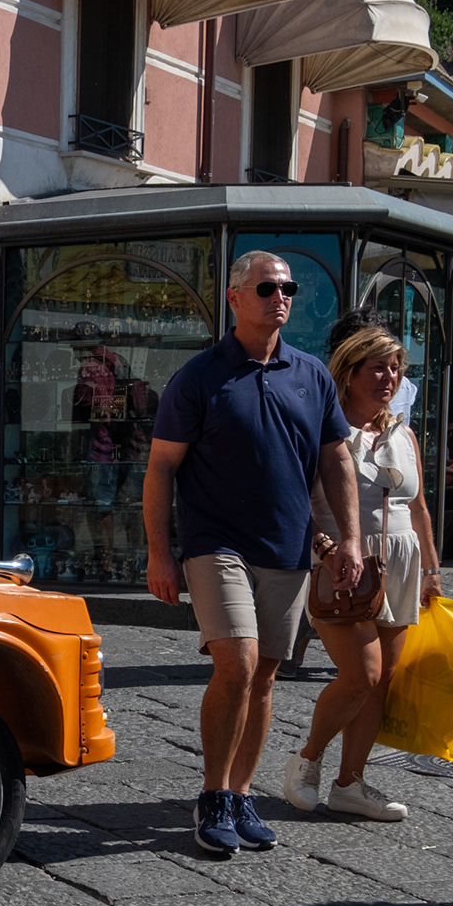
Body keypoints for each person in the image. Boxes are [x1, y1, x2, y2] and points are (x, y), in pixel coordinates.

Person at [144, 251, 361, 856]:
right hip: (217, 544)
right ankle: (213, 794)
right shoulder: (200, 376)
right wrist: (161, 553)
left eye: (288, 286)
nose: (280, 296)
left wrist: (348, 539)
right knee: (236, 663)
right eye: (267, 287)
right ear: (236, 297)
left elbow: (336, 458)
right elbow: (161, 467)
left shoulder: (311, 374)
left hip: (287, 547)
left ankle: (240, 795)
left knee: (265, 674)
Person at [282, 328, 445, 821]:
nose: (389, 377)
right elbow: (297, 503)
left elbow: (418, 507)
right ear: (349, 374)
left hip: (401, 562)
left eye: (396, 368)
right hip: (344, 562)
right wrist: (325, 550)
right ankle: (307, 760)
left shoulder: (403, 432)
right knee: (361, 674)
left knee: (383, 681)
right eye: (377, 367)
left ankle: (350, 783)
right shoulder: (323, 431)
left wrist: (432, 571)